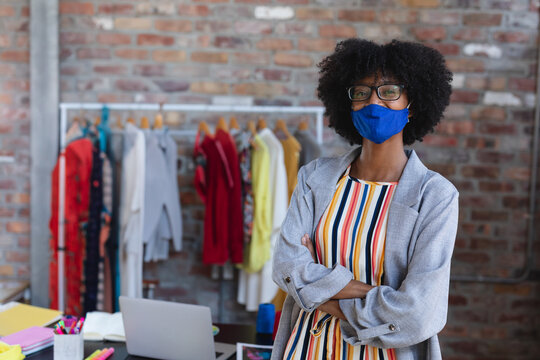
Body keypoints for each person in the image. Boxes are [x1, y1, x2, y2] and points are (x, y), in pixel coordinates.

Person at [271, 38, 458, 360]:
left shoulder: (435, 196)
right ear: (348, 103)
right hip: (305, 348)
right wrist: (378, 295)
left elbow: (418, 313)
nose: (374, 102)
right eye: (361, 92)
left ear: (412, 104)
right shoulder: (315, 177)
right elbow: (286, 267)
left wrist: (316, 290)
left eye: (389, 91)